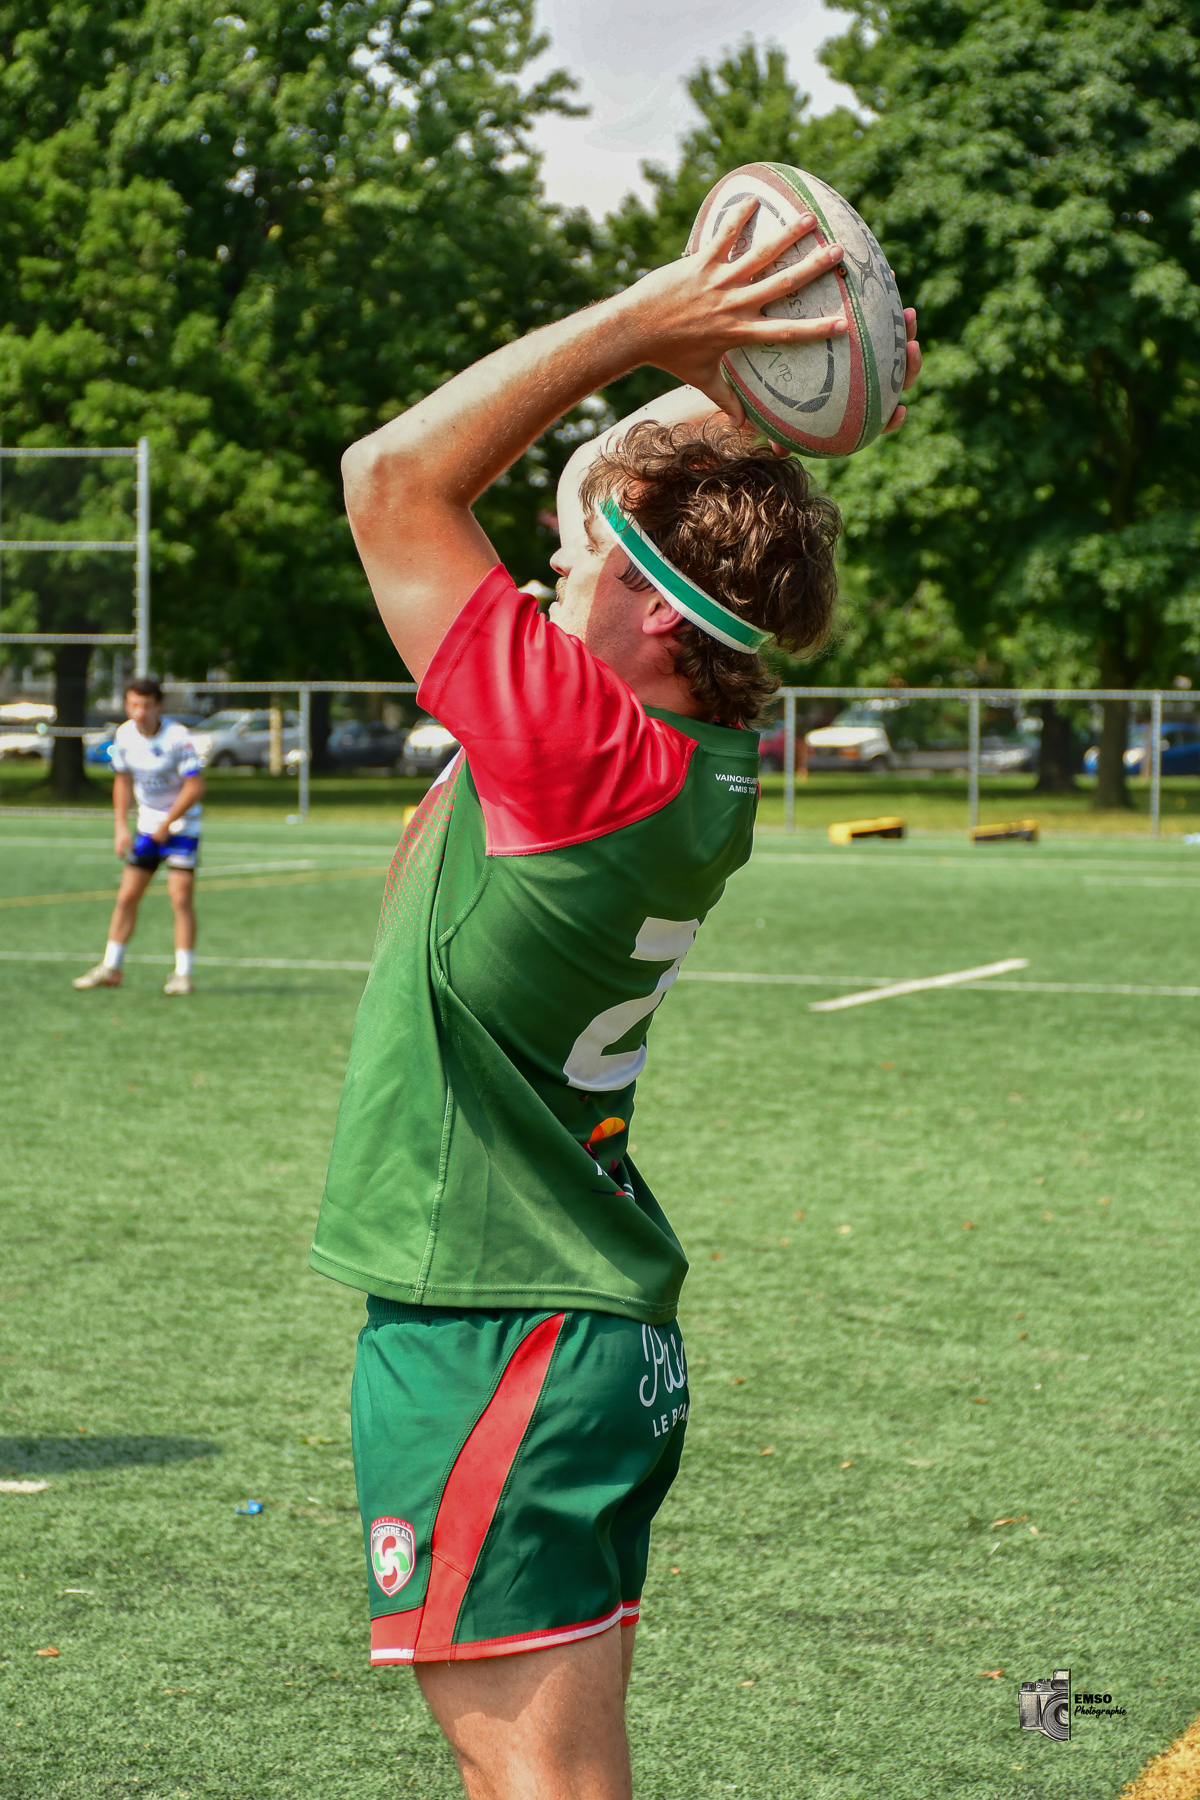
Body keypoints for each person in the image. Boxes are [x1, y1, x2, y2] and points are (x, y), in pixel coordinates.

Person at [310, 196, 920, 1799]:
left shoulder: (575, 747)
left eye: (582, 554)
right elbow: (608, 476)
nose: (555, 541)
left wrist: (665, 307)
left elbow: (391, 477)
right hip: (568, 1319)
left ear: (652, 610)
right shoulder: (694, 747)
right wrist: (770, 375)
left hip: (501, 1319)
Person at [72, 676, 205, 996]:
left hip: (182, 829)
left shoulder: (178, 737)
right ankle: (110, 966)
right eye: (133, 704)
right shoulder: (125, 735)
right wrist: (120, 826)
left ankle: (182, 974)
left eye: (146, 705)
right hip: (147, 829)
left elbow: (195, 786)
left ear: (158, 705)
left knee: (180, 898)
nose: (139, 711)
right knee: (127, 896)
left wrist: (167, 824)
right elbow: (122, 781)